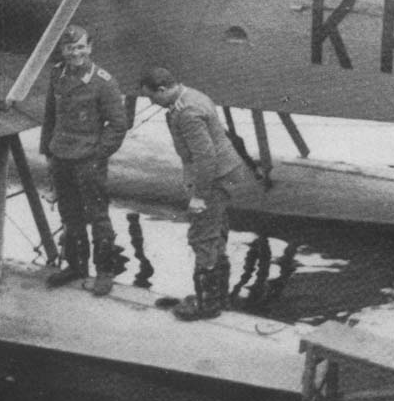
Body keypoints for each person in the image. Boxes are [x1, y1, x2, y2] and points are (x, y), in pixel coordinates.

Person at [139, 67, 254, 321]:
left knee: (202, 236)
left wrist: (199, 196)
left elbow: (205, 156)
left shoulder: (187, 112)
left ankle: (206, 305)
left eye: (152, 97)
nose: (152, 102)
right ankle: (218, 297)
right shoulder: (192, 95)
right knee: (216, 231)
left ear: (162, 90)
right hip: (225, 173)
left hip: (214, 178)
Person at [41, 25, 128, 296]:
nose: (76, 53)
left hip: (88, 159)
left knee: (97, 215)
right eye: (70, 48)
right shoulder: (57, 74)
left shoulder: (103, 82)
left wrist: (97, 155)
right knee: (69, 212)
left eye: (80, 47)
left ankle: (104, 272)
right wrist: (48, 151)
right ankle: (76, 266)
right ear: (62, 50)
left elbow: (118, 125)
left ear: (89, 48)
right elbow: (50, 116)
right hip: (61, 156)